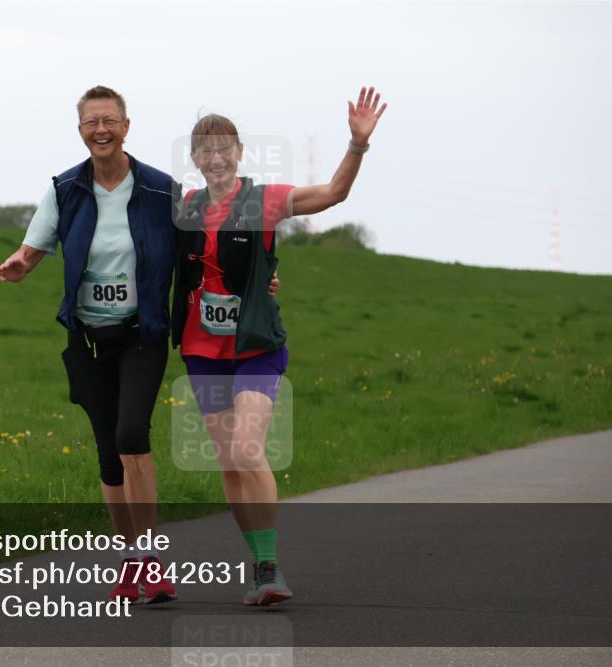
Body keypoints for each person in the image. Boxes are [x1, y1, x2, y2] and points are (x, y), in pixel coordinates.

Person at [171, 85, 388, 605]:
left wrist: (357, 144)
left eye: (225, 148)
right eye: (206, 150)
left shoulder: (263, 201)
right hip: (202, 351)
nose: (216, 158)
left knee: (248, 450)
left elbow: (333, 193)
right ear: (195, 159)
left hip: (256, 347)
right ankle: (258, 562)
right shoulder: (184, 208)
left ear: (240, 152)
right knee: (229, 463)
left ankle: (269, 568)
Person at [0, 85, 178, 605]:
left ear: (126, 127)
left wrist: (257, 278)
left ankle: (151, 562)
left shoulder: (162, 190)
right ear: (80, 130)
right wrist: (21, 263)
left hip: (142, 334)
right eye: (91, 122)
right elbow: (34, 246)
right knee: (108, 456)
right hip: (88, 339)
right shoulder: (65, 189)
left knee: (131, 436)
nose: (101, 130)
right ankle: (130, 561)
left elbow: (200, 249)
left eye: (110, 120)